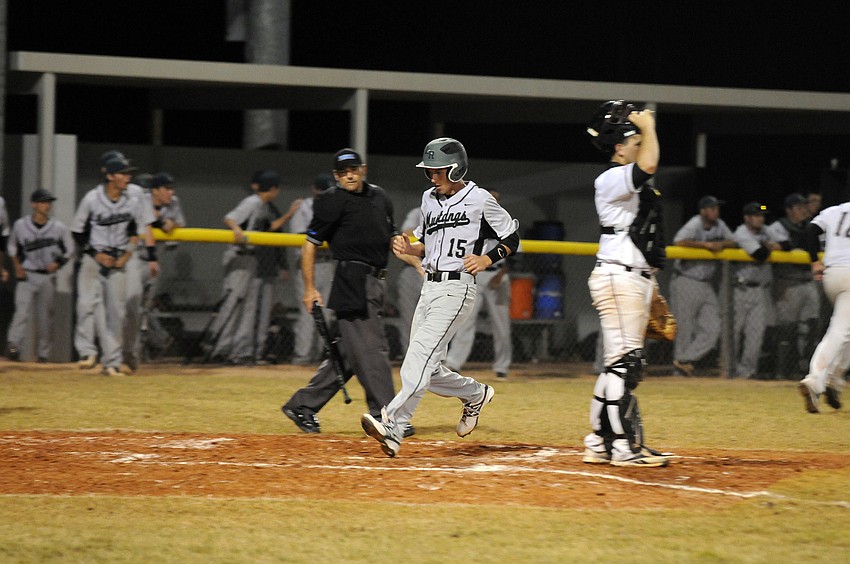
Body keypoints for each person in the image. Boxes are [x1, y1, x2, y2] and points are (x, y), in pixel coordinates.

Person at [361, 137, 519, 458]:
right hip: (429, 287)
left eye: (438, 171)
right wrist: (410, 248)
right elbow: (425, 244)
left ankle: (393, 424)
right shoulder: (428, 199)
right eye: (429, 171)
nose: (433, 177)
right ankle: (475, 394)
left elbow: (511, 236)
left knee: (417, 358)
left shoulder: (480, 198)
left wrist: (488, 259)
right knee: (428, 370)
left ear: (456, 167)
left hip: (457, 288)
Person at [282, 149, 400, 435]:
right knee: (372, 348)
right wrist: (310, 288)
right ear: (336, 175)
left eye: (353, 169)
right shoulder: (331, 201)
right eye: (342, 171)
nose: (349, 174)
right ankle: (386, 414)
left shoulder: (380, 197)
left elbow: (394, 238)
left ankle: (303, 405)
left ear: (363, 169)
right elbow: (309, 245)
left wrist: (416, 261)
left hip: (376, 280)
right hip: (353, 279)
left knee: (350, 352)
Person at [582, 100, 669, 468]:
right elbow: (648, 165)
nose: (638, 145)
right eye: (632, 140)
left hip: (631, 277)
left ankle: (598, 442)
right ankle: (622, 446)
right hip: (619, 276)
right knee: (625, 365)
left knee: (617, 365)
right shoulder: (610, 177)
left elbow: (646, 236)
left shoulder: (625, 180)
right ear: (618, 147)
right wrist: (648, 125)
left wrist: (653, 287)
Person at [71, 156, 147, 376]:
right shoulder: (92, 199)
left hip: (118, 259)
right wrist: (95, 254)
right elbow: (77, 232)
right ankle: (87, 352)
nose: (127, 177)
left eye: (128, 173)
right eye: (123, 174)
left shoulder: (131, 200)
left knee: (117, 312)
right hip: (93, 259)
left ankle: (112, 362)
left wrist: (127, 255)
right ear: (110, 176)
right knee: (86, 304)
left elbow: (135, 231)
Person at [209, 170, 287, 365]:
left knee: (248, 308)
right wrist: (236, 229)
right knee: (234, 304)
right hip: (239, 257)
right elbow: (229, 218)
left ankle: (239, 352)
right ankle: (220, 349)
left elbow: (271, 227)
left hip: (252, 259)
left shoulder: (263, 205)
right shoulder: (252, 202)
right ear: (272, 188)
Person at [445, 189, 513, 379]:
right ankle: (454, 362)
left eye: (495, 198)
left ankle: (502, 366)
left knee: (501, 325)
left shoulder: (504, 220)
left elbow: (517, 255)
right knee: (466, 320)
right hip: (475, 274)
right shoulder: (473, 219)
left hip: (498, 276)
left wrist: (501, 274)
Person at [669, 195, 737, 376]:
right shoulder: (695, 223)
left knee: (713, 327)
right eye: (712, 208)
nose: (716, 211)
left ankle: (684, 360)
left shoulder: (719, 225)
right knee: (685, 328)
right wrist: (706, 245)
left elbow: (733, 241)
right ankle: (679, 372)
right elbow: (679, 241)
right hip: (686, 280)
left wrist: (720, 244)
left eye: (717, 208)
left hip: (706, 284)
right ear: (703, 211)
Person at [6, 189, 73, 362]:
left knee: (45, 317)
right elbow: (12, 247)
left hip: (47, 277)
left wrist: (58, 263)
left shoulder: (58, 227)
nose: (47, 205)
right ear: (34, 204)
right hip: (27, 275)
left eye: (48, 202)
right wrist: (17, 266)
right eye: (43, 202)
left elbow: (70, 249)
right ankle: (14, 346)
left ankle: (44, 354)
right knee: (21, 312)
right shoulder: (21, 225)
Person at [797, 196, 850, 413]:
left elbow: (809, 231)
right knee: (839, 331)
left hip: (833, 274)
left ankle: (834, 383)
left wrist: (814, 262)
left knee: (846, 330)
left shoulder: (836, 210)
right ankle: (815, 380)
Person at [766, 193, 820, 378]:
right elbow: (781, 245)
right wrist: (795, 244)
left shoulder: (811, 226)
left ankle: (804, 369)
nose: (803, 210)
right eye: (798, 207)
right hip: (787, 282)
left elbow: (808, 245)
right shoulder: (777, 226)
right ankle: (781, 372)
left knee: (810, 327)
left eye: (804, 206)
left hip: (808, 280)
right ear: (789, 210)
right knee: (787, 329)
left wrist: (795, 244)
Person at [252, 173, 301, 363]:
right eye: (275, 188)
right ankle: (248, 351)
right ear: (271, 188)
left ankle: (258, 352)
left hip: (267, 268)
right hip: (255, 267)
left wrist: (282, 265)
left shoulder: (270, 207)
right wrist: (290, 213)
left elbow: (277, 239)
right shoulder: (257, 206)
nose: (277, 191)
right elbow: (269, 228)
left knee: (263, 313)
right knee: (253, 313)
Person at [137, 172, 186, 360]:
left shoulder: (173, 202)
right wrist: (158, 221)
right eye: (167, 188)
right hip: (133, 258)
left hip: (154, 260)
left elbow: (180, 224)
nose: (171, 193)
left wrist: (169, 222)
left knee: (146, 308)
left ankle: (144, 350)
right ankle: (158, 340)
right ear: (154, 191)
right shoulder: (139, 201)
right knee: (133, 306)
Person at [288, 174, 336, 365]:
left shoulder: (334, 206)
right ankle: (302, 355)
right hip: (309, 264)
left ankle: (318, 355)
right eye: (323, 190)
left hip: (328, 263)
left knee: (327, 312)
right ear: (314, 189)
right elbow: (301, 235)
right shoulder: (304, 207)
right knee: (308, 311)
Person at [732, 202, 784, 379]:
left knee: (756, 334)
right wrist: (770, 246)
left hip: (760, 290)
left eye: (762, 215)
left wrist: (770, 245)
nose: (760, 218)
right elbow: (760, 255)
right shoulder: (741, 232)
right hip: (740, 289)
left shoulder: (766, 230)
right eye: (756, 215)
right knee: (734, 333)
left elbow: (787, 244)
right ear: (747, 218)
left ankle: (747, 372)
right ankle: (730, 369)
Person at [393, 205, 426, 355]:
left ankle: (429, 357)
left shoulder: (452, 211)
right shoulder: (417, 212)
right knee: (409, 316)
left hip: (436, 269)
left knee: (434, 317)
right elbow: (406, 233)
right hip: (411, 269)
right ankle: (409, 354)